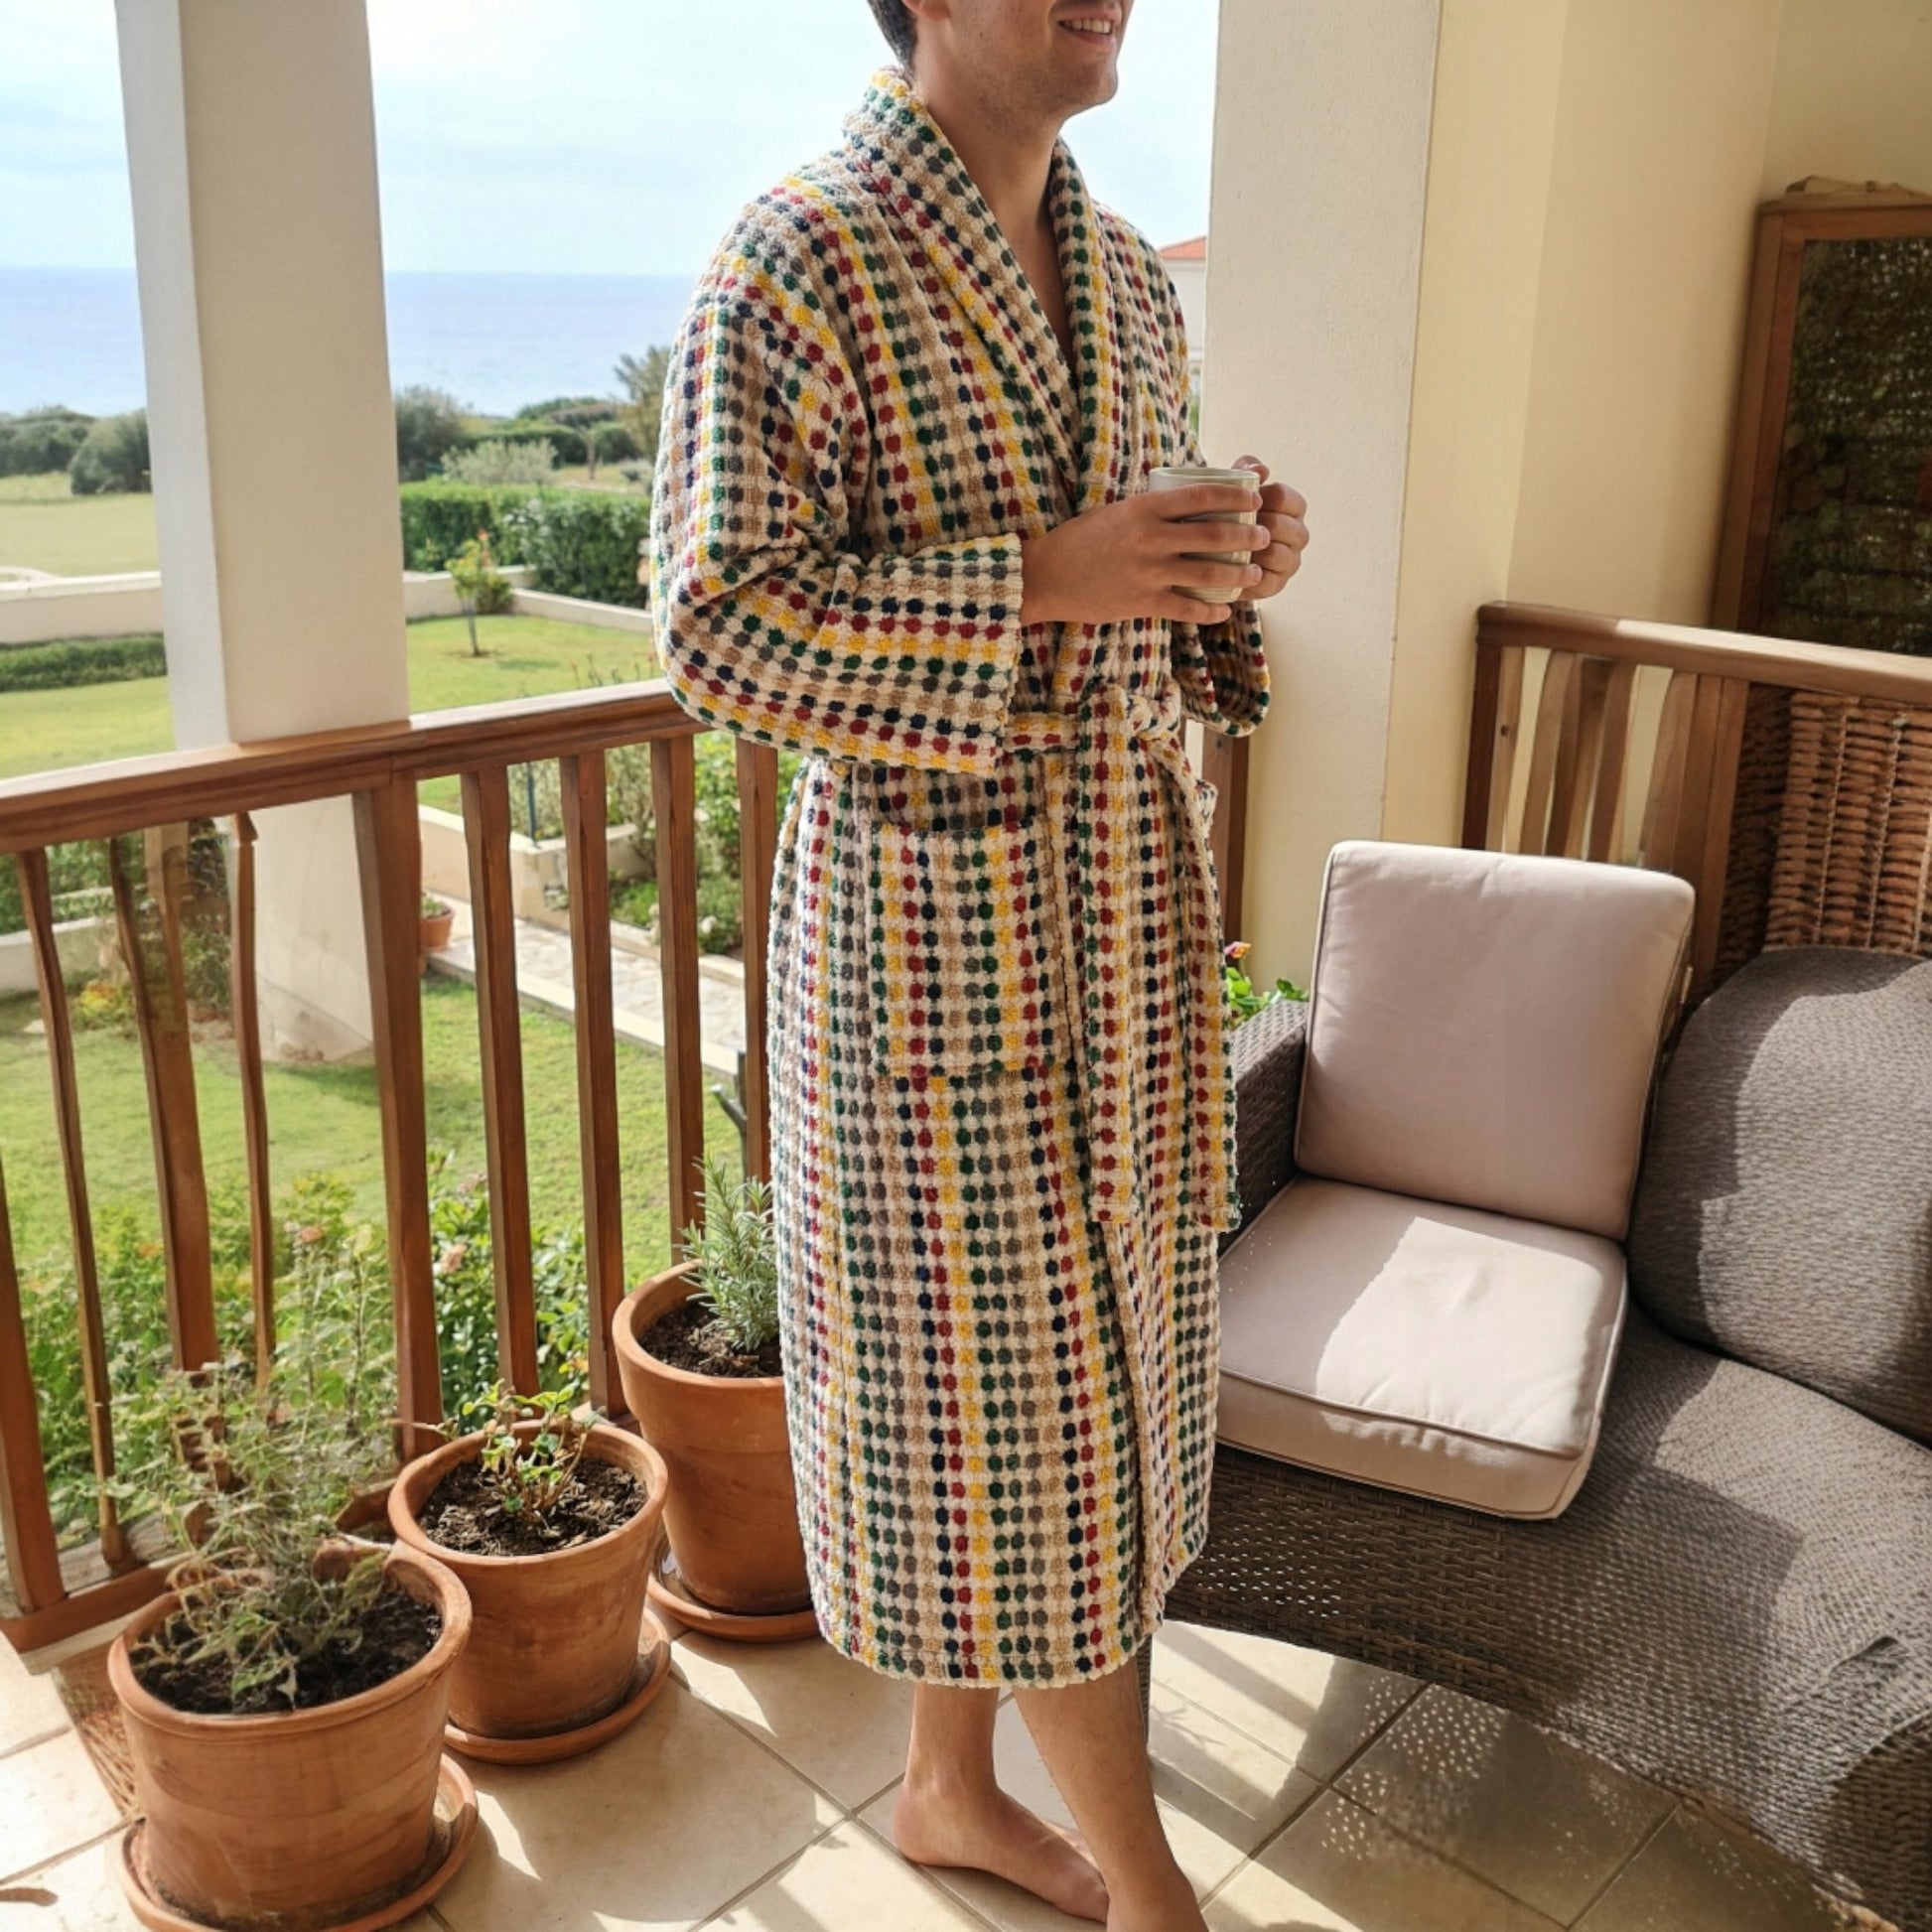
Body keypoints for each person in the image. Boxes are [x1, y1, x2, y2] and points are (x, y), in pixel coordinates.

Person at [649, 4, 1308, 1926]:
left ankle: (947, 1786)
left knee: (1064, 1412)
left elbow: (1132, 588)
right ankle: (1153, 1891)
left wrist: (1218, 566)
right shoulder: (796, 254)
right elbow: (712, 629)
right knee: (1035, 1446)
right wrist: (1042, 572)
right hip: (932, 951)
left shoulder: (1123, 271)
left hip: (1124, 921)